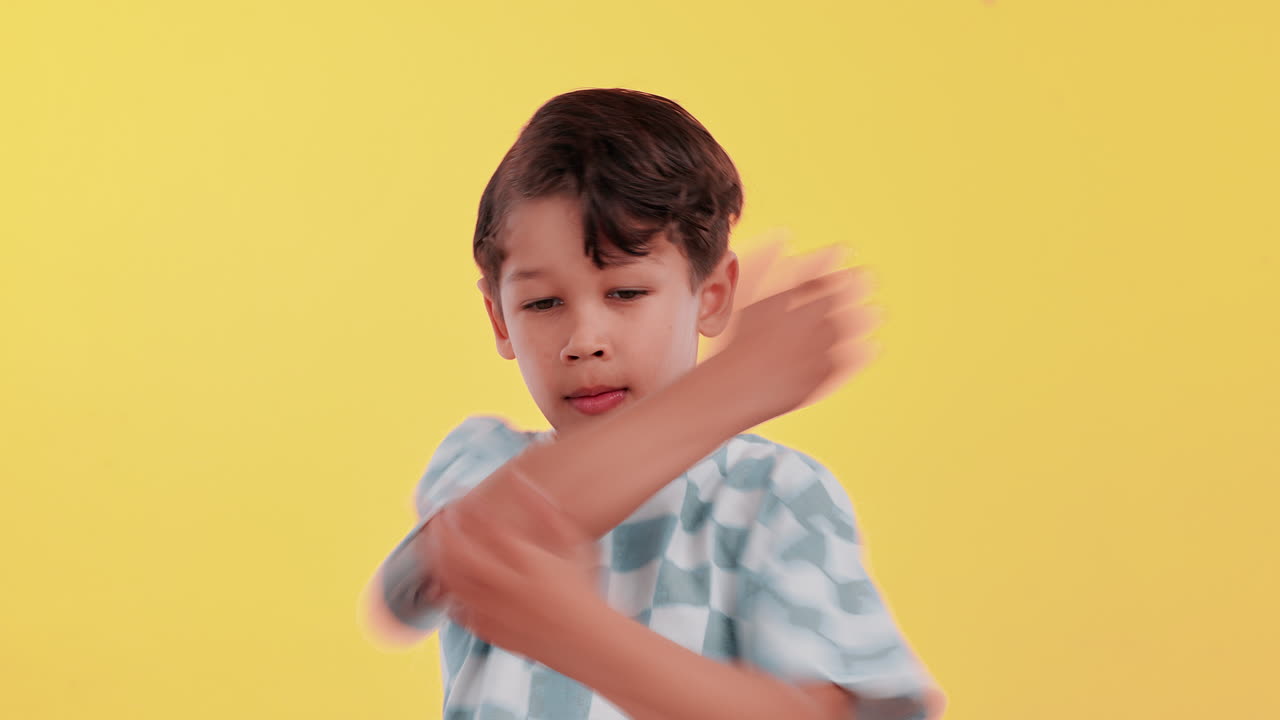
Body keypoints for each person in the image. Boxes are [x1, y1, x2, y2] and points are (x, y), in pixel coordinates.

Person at [359, 88, 945, 720]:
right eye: (543, 303)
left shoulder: (773, 494)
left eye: (627, 291)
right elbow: (433, 572)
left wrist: (578, 636)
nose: (584, 342)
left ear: (713, 294)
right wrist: (733, 387)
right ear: (498, 318)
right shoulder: (484, 459)